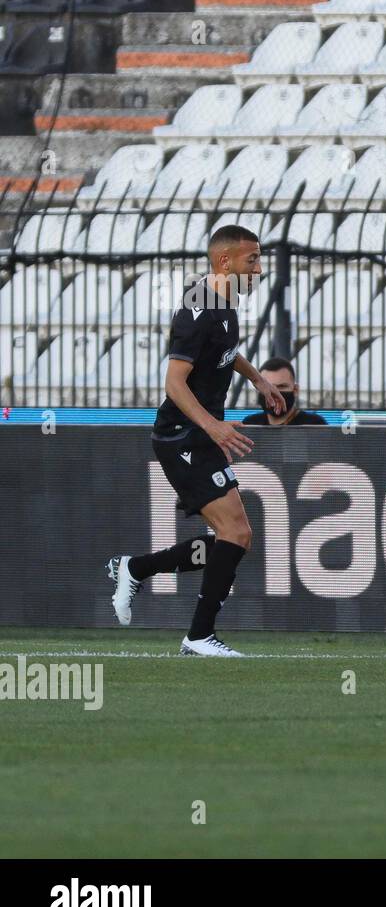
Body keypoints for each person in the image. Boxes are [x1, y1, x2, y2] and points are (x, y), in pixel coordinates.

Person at [105, 225, 285, 657]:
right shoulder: (196, 310)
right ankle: (198, 636)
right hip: (181, 435)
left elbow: (225, 350)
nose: (258, 269)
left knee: (233, 537)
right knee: (236, 533)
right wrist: (214, 426)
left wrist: (258, 378)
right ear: (225, 262)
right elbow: (173, 383)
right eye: (252, 260)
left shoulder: (225, 303)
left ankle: (137, 569)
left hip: (199, 434)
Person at [241, 357, 326, 426]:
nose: (275, 392)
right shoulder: (250, 424)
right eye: (268, 387)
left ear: (295, 390)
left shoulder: (314, 424)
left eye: (281, 386)